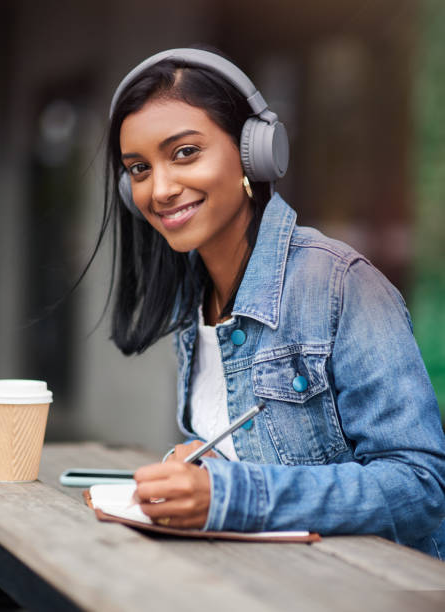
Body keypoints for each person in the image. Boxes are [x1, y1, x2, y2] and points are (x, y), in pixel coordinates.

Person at [103, 47, 445, 558]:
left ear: (252, 153)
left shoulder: (341, 283)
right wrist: (206, 466)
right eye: (138, 168)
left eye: (184, 153)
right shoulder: (194, 293)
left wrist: (234, 495)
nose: (161, 189)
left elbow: (419, 488)